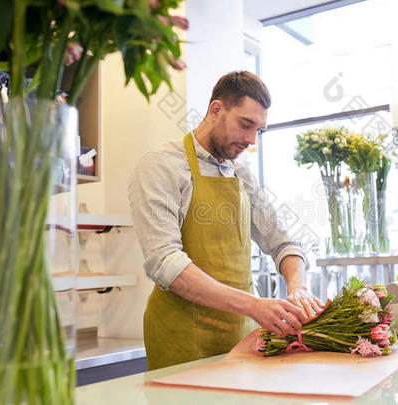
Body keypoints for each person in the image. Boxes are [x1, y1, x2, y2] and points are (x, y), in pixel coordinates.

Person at [128, 71, 323, 370]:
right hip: (181, 341)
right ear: (216, 109)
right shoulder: (161, 166)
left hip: (242, 339)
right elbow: (165, 262)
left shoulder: (241, 175)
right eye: (245, 124)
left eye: (258, 129)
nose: (250, 140)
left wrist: (297, 286)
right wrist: (256, 305)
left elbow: (283, 242)